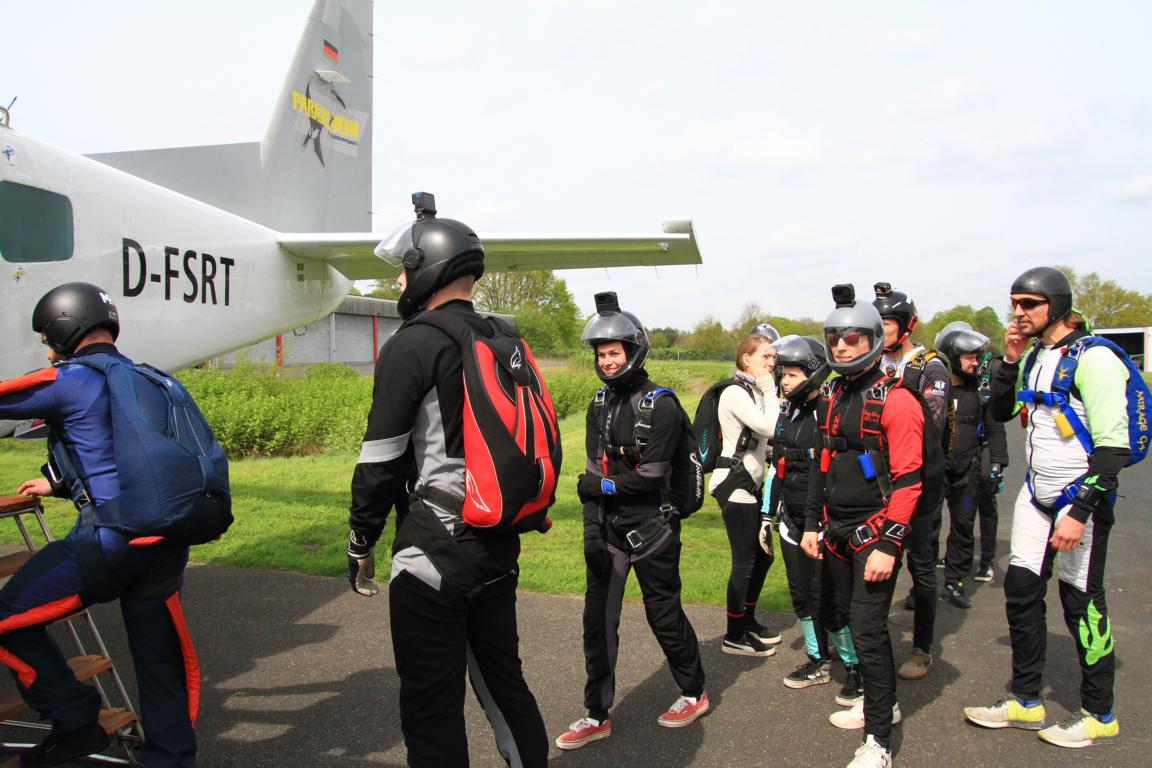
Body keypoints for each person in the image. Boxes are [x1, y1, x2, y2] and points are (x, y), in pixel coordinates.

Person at [346, 198, 548, 767]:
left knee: (431, 709)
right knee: (505, 688)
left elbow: (381, 459)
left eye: (402, 268)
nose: (398, 279)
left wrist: (361, 539)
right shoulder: (501, 336)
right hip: (498, 540)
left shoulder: (413, 342)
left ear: (426, 268)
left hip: (433, 550)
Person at [0, 282, 200, 768]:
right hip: (166, 542)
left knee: (5, 620)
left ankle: (75, 718)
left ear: (64, 329)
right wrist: (57, 482)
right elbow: (123, 450)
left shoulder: (70, 378)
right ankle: (172, 759)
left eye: (47, 338)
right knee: (159, 665)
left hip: (109, 543)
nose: (47, 350)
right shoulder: (149, 378)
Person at [964, 267, 1132, 748]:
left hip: (1080, 500)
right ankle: (1025, 699)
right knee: (1020, 591)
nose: (1018, 312)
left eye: (1029, 304)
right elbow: (999, 412)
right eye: (1015, 303)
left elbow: (1113, 449)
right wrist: (1009, 359)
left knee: (1082, 601)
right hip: (1036, 495)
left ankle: (1099, 713)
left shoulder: (1094, 359)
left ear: (1057, 305)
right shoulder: (1036, 354)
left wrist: (1079, 512)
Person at [555, 292, 707, 750]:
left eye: (613, 352)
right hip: (608, 532)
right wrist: (591, 532)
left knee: (665, 617)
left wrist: (600, 487)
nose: (606, 361)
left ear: (634, 351)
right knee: (597, 625)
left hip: (654, 530)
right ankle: (596, 714)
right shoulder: (599, 404)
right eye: (601, 354)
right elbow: (591, 475)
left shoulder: (661, 405)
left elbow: (650, 477)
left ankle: (693, 692)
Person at [811, 284, 926, 768]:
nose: (841, 346)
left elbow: (910, 481)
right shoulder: (834, 394)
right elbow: (823, 462)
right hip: (836, 530)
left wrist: (889, 544)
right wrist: (814, 523)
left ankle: (879, 741)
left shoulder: (898, 401)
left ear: (874, 339)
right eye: (834, 338)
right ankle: (886, 703)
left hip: (875, 534)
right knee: (844, 619)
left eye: (852, 338)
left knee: (868, 629)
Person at [768, 335, 862, 704]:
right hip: (790, 518)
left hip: (820, 521)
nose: (785, 381)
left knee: (829, 601)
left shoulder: (827, 411)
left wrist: (815, 522)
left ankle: (855, 668)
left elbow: (828, 471)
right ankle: (818, 659)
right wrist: (767, 515)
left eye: (792, 374)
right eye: (783, 374)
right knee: (801, 595)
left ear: (813, 374)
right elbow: (778, 466)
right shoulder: (787, 412)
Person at [872, 283, 950, 682]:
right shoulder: (872, 364)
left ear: (907, 325)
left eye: (886, 323)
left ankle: (922, 648)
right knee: (877, 557)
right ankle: (871, 639)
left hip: (918, 481)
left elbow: (931, 426)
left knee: (921, 564)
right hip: (878, 482)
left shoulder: (930, 367)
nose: (879, 330)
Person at [710, 330, 781, 656]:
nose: (771, 362)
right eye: (765, 356)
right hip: (734, 484)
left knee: (763, 557)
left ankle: (747, 620)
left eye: (774, 356)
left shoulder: (753, 391)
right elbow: (770, 427)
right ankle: (734, 634)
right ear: (746, 358)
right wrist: (770, 388)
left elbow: (765, 441)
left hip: (751, 484)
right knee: (745, 560)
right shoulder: (736, 392)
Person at [935, 322, 1009, 608]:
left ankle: (954, 581)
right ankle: (922, 584)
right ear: (954, 356)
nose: (975, 362)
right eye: (970, 357)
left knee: (963, 526)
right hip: (936, 468)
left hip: (968, 468)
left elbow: (995, 426)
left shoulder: (981, 389)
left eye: (977, 357)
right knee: (927, 528)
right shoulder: (934, 388)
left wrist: (998, 463)